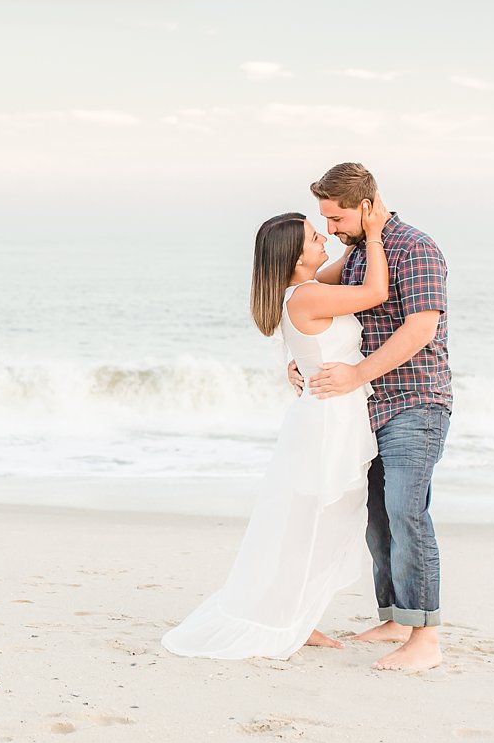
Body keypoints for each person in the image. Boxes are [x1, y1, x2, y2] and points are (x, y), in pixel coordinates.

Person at [161, 196, 390, 660]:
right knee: (314, 527)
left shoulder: (303, 290)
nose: (323, 236)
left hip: (329, 418)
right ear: (295, 255)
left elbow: (337, 282)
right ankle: (292, 622)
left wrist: (360, 237)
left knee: (314, 527)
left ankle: (297, 618)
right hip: (328, 425)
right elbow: (376, 292)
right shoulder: (307, 295)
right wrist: (377, 232)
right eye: (313, 235)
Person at [290, 162, 451, 673]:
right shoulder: (360, 253)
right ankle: (397, 617)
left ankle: (425, 639)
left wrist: (357, 374)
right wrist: (301, 357)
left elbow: (420, 329)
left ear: (365, 206)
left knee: (407, 510)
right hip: (366, 408)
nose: (332, 231)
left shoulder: (415, 248)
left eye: (335, 219)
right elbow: (308, 298)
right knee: (378, 517)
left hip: (415, 400)